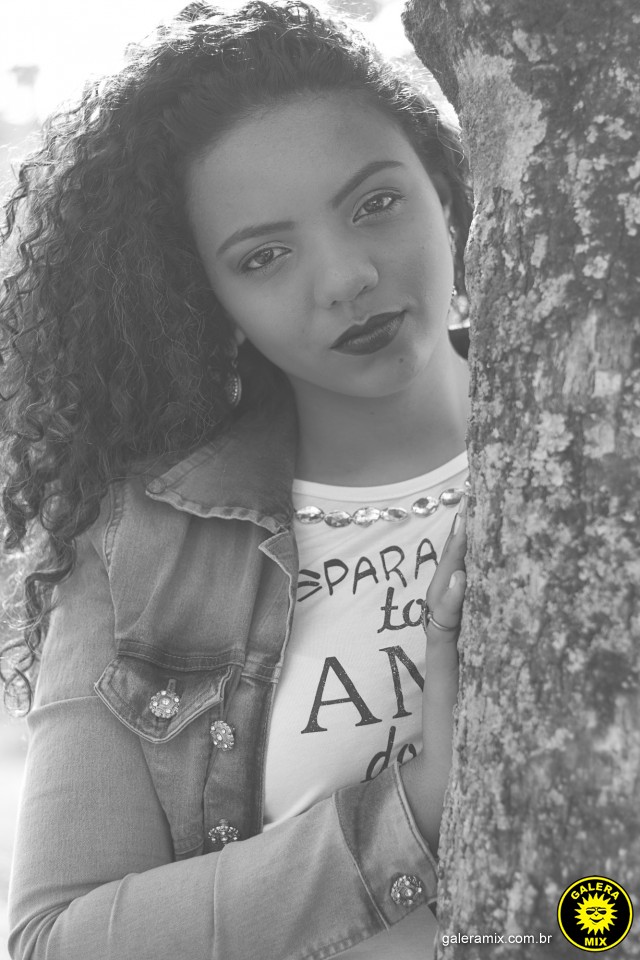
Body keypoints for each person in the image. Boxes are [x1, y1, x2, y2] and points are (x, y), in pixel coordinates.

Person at [0, 2, 473, 958]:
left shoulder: (606, 446)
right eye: (264, 256)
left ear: (446, 188)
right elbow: (55, 941)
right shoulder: (144, 544)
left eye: (375, 203)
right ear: (206, 298)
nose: (344, 278)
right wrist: (415, 812)